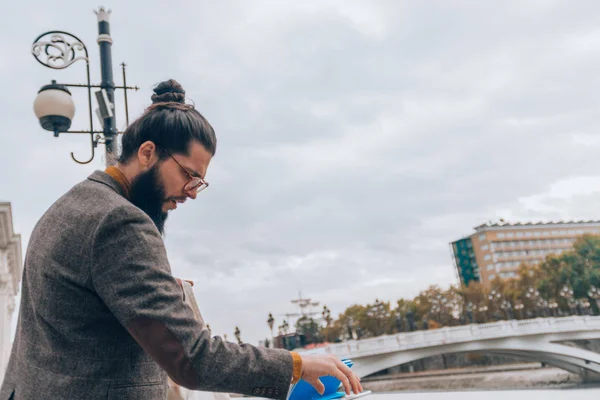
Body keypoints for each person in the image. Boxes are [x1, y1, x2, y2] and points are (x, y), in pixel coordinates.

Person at [0, 80, 362, 400]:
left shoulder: (71, 205)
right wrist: (296, 364)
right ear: (147, 153)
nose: (192, 193)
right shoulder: (120, 221)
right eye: (189, 175)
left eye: (199, 181)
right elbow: (193, 359)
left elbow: (78, 311)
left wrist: (165, 288)